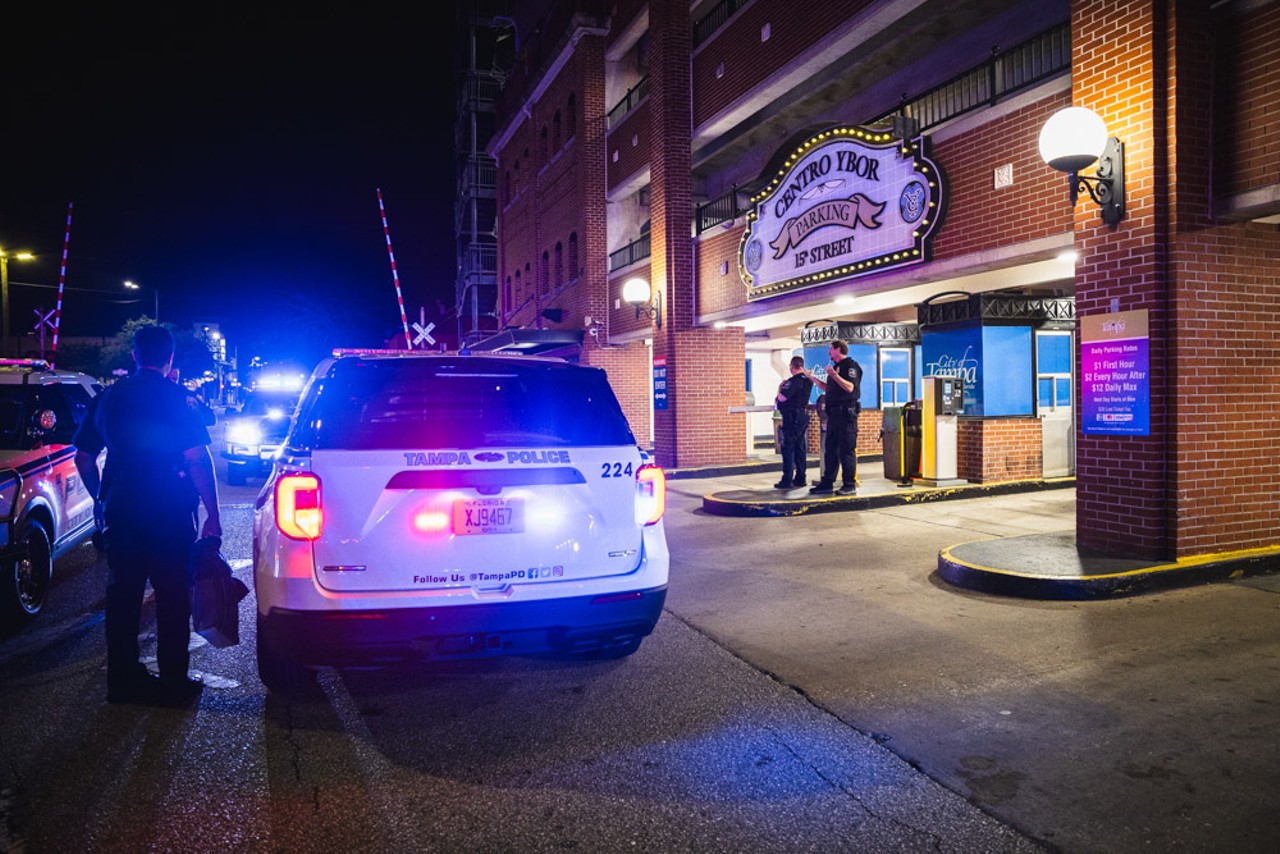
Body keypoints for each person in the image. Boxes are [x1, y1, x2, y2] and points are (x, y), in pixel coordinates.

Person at [74, 325, 222, 706]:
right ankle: (173, 683)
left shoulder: (107, 398)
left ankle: (122, 683)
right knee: (173, 596)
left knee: (122, 598)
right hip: (169, 512)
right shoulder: (178, 399)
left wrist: (100, 500)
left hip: (121, 512)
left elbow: (85, 459)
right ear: (170, 359)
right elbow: (197, 460)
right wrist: (212, 513)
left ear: (134, 356)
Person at [807, 339, 863, 496]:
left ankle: (849, 485)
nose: (828, 352)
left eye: (831, 349)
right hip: (833, 415)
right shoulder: (835, 368)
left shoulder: (850, 366)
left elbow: (849, 387)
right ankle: (827, 483)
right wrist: (813, 378)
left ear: (838, 350)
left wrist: (834, 375)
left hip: (846, 415)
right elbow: (827, 387)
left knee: (846, 450)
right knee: (830, 450)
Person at [774, 355, 814, 489]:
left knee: (788, 448)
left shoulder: (793, 381)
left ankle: (787, 479)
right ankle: (801, 478)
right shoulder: (808, 380)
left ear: (792, 366)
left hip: (792, 417)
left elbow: (782, 397)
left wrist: (780, 387)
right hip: (802, 416)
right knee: (800, 447)